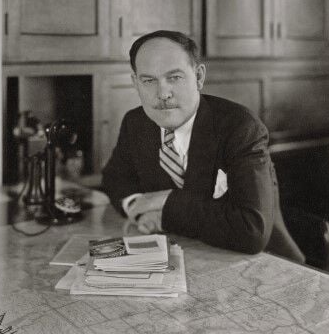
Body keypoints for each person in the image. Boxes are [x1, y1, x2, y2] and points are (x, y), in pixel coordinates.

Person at [102, 30, 304, 263]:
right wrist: (138, 209)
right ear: (135, 83)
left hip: (269, 265)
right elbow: (114, 179)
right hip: (192, 256)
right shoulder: (136, 122)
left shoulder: (240, 128)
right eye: (149, 80)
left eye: (174, 78)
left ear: (198, 77)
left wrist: (165, 203)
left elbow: (251, 232)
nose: (163, 93)